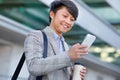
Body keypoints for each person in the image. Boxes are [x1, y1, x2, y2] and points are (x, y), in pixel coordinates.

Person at [24, 0, 88, 80]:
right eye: (65, 16)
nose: (68, 22)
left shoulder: (65, 45)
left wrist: (73, 74)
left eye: (72, 19)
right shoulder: (36, 36)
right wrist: (68, 56)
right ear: (52, 14)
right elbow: (33, 66)